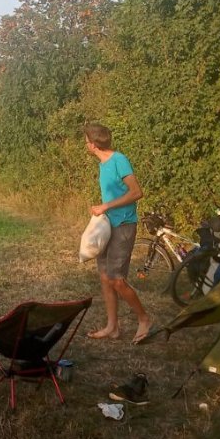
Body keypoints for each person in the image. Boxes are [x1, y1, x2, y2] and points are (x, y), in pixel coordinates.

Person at [83, 122, 153, 344]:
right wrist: (102, 212)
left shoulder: (119, 160)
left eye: (86, 140)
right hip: (107, 226)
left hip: (123, 225)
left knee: (117, 279)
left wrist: (105, 206)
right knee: (105, 277)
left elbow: (136, 192)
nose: (85, 144)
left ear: (93, 144)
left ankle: (144, 318)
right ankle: (112, 327)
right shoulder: (103, 165)